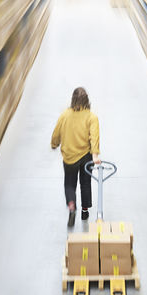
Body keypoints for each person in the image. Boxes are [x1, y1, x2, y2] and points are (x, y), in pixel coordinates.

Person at [50, 86, 100, 228]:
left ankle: (72, 207)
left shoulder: (65, 115)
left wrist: (54, 144)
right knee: (85, 183)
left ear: (73, 99)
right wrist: (95, 155)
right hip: (86, 157)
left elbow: (56, 133)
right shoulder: (92, 117)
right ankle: (85, 211)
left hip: (69, 157)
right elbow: (94, 137)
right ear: (87, 101)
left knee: (70, 184)